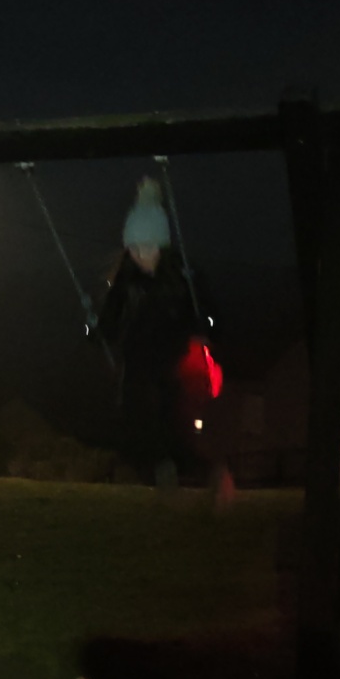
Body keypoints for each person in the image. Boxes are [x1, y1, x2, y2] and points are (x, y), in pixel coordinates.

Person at [95, 177, 211, 489]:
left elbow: (199, 312)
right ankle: (152, 466)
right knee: (135, 410)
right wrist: (100, 330)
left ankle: (177, 466)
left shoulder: (179, 277)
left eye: (147, 247)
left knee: (169, 410)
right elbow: (112, 315)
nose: (140, 255)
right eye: (134, 248)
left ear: (161, 246)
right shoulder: (126, 278)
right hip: (136, 355)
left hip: (169, 354)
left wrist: (203, 326)